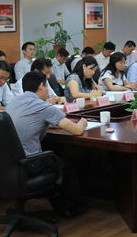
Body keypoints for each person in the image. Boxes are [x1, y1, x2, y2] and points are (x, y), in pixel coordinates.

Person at [6, 71, 89, 219]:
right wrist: (83, 121)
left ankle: (61, 205)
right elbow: (77, 130)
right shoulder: (43, 106)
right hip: (30, 163)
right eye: (47, 85)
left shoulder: (13, 102)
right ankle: (75, 206)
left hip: (9, 161)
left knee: (51, 160)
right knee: (65, 166)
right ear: (41, 86)